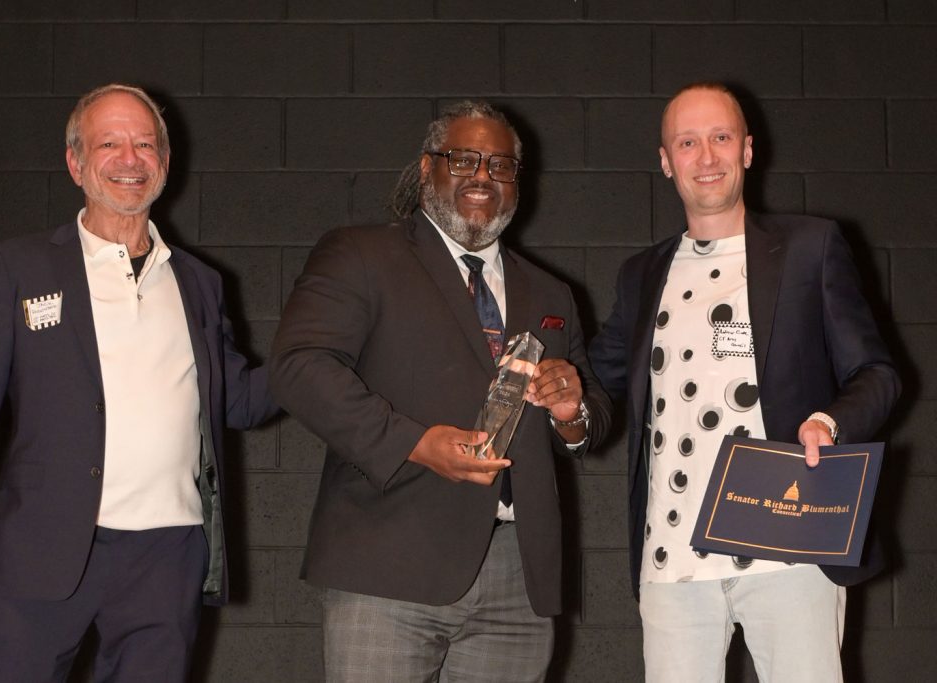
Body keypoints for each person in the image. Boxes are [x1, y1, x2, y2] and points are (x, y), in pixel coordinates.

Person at [0, 83, 277, 681]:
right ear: (75, 162)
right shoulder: (20, 267)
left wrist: (320, 357)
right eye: (108, 143)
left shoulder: (199, 284)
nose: (129, 160)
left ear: (164, 163)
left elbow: (237, 400)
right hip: (42, 549)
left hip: (167, 555)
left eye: (144, 144)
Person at [269, 101, 612, 682]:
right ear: (428, 169)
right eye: (463, 159)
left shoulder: (551, 292)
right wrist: (415, 443)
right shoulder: (360, 253)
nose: (483, 175)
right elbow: (299, 367)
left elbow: (593, 417)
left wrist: (571, 411)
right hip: (387, 564)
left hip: (516, 577)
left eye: (500, 165)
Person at [587, 82, 901, 681]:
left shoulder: (811, 247)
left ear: (748, 150)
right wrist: (560, 398)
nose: (706, 157)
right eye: (687, 142)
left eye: (721, 138)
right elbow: (597, 390)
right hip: (671, 559)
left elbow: (877, 374)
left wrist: (829, 421)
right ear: (665, 160)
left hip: (790, 546)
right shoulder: (641, 274)